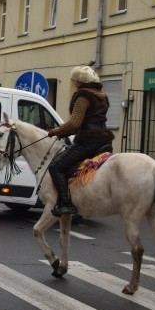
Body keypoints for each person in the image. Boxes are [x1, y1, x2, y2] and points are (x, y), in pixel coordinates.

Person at [46, 65, 115, 221]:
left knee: (56, 166)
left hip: (88, 141)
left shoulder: (83, 96)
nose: (74, 83)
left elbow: (75, 124)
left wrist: (55, 131)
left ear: (80, 80)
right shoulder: (102, 96)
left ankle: (65, 204)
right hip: (104, 140)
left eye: (74, 80)